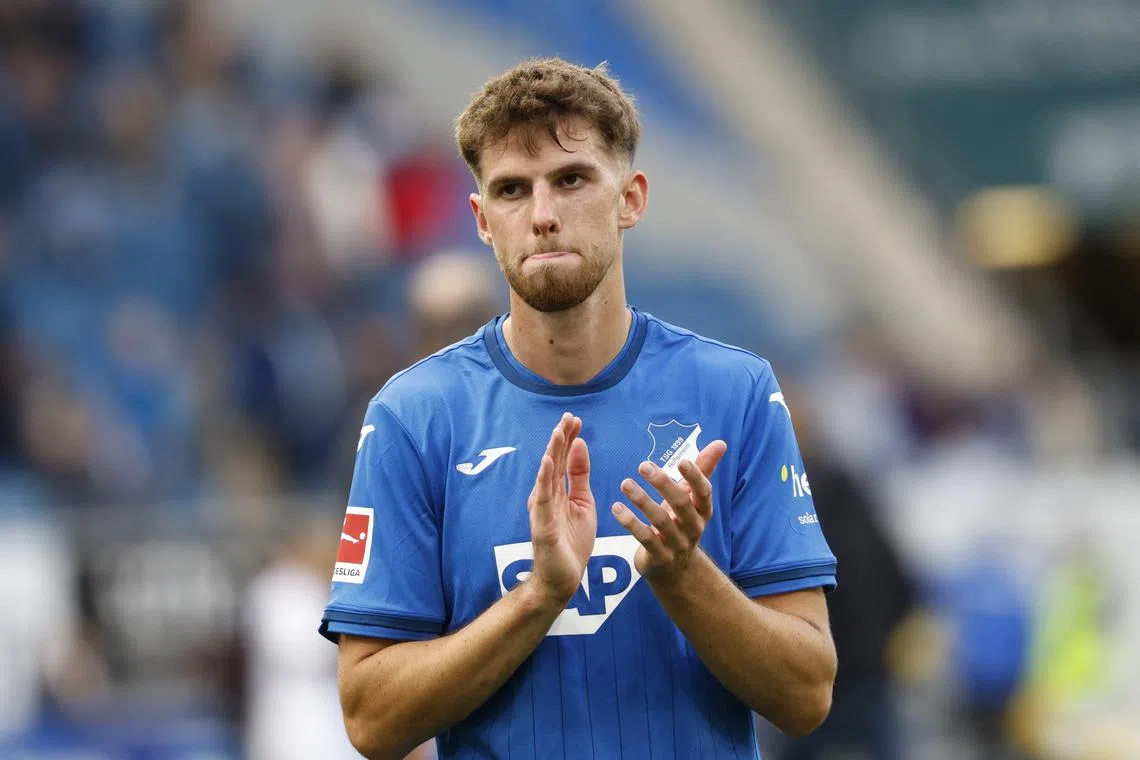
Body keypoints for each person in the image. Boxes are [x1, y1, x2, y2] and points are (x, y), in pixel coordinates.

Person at [320, 57, 837, 760]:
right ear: (480, 220)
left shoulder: (736, 393)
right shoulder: (414, 417)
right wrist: (539, 597)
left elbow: (807, 695)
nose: (542, 215)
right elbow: (372, 721)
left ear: (630, 198)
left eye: (571, 179)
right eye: (510, 190)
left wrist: (684, 575)